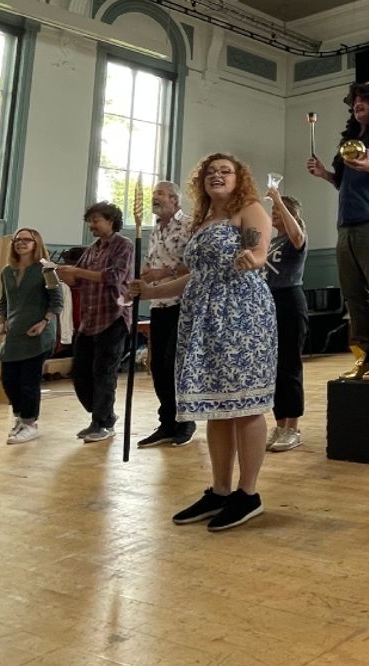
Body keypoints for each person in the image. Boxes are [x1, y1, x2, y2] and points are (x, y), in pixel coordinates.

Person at [130, 153, 277, 532]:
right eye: (211, 172)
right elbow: (196, 276)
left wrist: (252, 257)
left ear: (238, 177)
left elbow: (259, 251)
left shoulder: (248, 209)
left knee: (244, 404)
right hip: (203, 317)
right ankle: (221, 490)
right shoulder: (202, 220)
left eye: (225, 171)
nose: (217, 176)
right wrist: (150, 291)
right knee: (216, 406)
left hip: (241, 314)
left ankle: (249, 493)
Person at [306, 81, 369, 382]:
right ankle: (362, 356)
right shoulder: (351, 138)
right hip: (346, 222)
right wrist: (324, 173)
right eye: (354, 101)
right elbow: (344, 182)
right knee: (352, 295)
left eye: (364, 99)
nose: (357, 104)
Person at [57, 202, 133, 443]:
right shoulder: (92, 249)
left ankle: (103, 422)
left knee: (104, 372)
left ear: (111, 221)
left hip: (112, 317)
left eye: (96, 220)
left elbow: (114, 276)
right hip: (89, 320)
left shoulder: (124, 245)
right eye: (90, 221)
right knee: (80, 372)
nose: (92, 225)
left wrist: (77, 273)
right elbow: (77, 279)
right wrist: (60, 273)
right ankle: (101, 415)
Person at [136, 181, 196, 449]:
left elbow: (195, 263)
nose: (154, 197)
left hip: (183, 302)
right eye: (154, 194)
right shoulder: (153, 231)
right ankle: (167, 422)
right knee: (158, 365)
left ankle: (186, 421)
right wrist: (141, 278)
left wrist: (165, 273)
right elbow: (151, 263)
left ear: (175, 199)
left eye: (160, 193)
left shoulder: (190, 225)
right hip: (158, 303)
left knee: (175, 363)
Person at [0, 228, 62, 445]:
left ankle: (30, 423)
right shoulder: (7, 271)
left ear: (36, 243)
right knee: (8, 379)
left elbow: (57, 300)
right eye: (17, 239)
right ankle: (20, 418)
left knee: (28, 381)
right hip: (14, 333)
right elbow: (4, 301)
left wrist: (45, 322)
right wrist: (0, 320)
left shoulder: (46, 269)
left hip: (38, 333)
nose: (21, 243)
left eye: (27, 240)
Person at [265, 189, 308, 452]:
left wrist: (279, 199)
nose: (273, 215)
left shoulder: (296, 236)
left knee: (289, 364)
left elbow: (298, 236)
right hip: (268, 302)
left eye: (277, 212)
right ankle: (280, 424)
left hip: (289, 300)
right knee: (273, 368)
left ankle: (293, 427)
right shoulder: (270, 242)